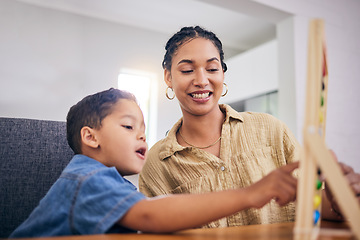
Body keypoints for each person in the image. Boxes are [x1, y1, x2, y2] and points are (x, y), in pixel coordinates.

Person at [139, 26, 360, 228]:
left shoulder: (270, 129)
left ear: (223, 74)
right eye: (187, 70)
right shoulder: (156, 163)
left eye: (212, 69)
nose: (202, 80)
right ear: (168, 77)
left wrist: (340, 200)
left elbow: (312, 206)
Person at [10, 88, 299, 238]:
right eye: (128, 127)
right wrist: (248, 194)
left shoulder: (108, 181)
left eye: (143, 131)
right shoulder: (86, 177)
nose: (141, 136)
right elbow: (149, 216)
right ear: (91, 137)